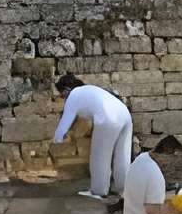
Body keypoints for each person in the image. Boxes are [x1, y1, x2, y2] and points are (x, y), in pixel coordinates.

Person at [53, 73, 133, 203]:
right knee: (123, 155)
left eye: (62, 95)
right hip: (125, 114)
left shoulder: (73, 95)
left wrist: (57, 138)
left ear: (67, 89)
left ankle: (99, 191)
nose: (63, 98)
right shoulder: (89, 89)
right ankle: (125, 190)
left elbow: (65, 121)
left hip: (108, 118)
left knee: (100, 157)